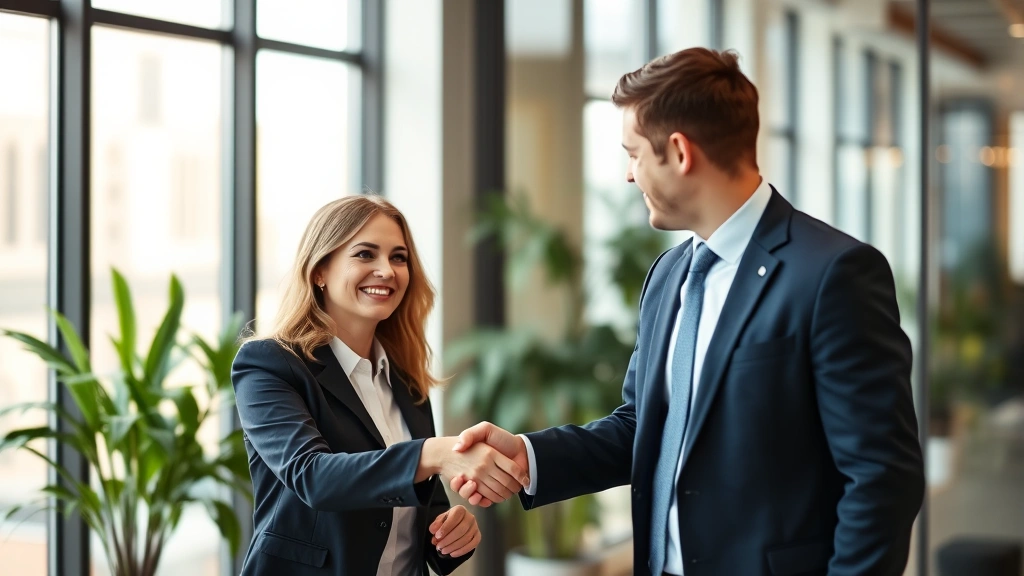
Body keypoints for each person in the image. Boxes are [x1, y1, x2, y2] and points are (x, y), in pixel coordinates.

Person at [451, 48, 925, 576]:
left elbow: (881, 476)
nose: (629, 176)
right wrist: (528, 456)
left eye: (634, 154)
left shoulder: (833, 274)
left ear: (679, 152)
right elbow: (642, 426)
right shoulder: (669, 275)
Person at [231, 195, 530, 576]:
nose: (386, 270)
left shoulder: (404, 378)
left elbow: (420, 504)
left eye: (398, 257)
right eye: (364, 254)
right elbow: (313, 476)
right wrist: (435, 453)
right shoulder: (269, 364)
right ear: (319, 270)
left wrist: (452, 536)